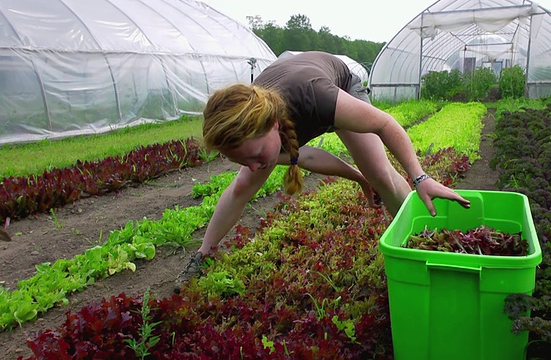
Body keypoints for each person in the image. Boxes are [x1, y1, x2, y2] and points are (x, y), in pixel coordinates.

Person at [176, 51, 470, 284]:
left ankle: (427, 242)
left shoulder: (318, 99)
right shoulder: (252, 127)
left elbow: (384, 123)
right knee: (242, 186)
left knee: (381, 175)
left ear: (274, 124)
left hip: (334, 82)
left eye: (255, 155)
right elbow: (306, 157)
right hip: (294, 87)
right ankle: (202, 256)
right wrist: (356, 177)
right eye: (242, 161)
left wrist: (420, 177)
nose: (253, 167)